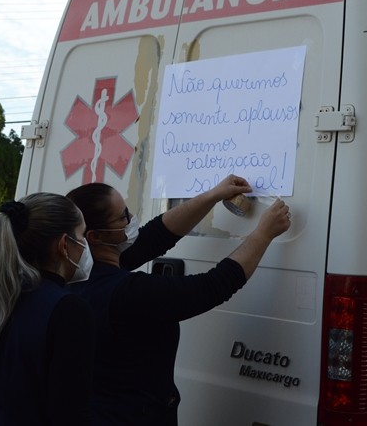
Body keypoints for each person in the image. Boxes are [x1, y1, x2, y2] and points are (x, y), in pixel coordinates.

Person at [66, 174, 291, 426]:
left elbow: (156, 235)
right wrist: (263, 233)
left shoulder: (78, 271)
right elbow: (211, 287)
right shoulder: (124, 292)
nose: (131, 222)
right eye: (123, 218)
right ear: (95, 237)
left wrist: (212, 195)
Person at [0, 192, 97, 426]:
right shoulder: (68, 310)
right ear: (64, 245)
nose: (85, 245)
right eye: (82, 235)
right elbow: (69, 412)